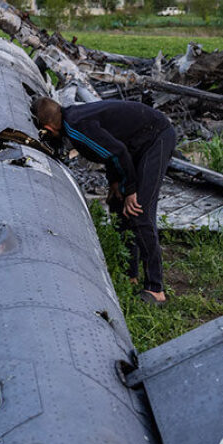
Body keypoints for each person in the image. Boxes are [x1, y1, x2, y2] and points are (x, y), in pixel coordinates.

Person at [31, 97, 176, 304]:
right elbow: (109, 148)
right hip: (136, 142)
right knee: (117, 205)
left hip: (156, 137)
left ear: (47, 127)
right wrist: (116, 183)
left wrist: (131, 190)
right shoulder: (72, 116)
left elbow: (117, 152)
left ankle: (155, 289)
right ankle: (130, 275)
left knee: (139, 210)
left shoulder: (75, 129)